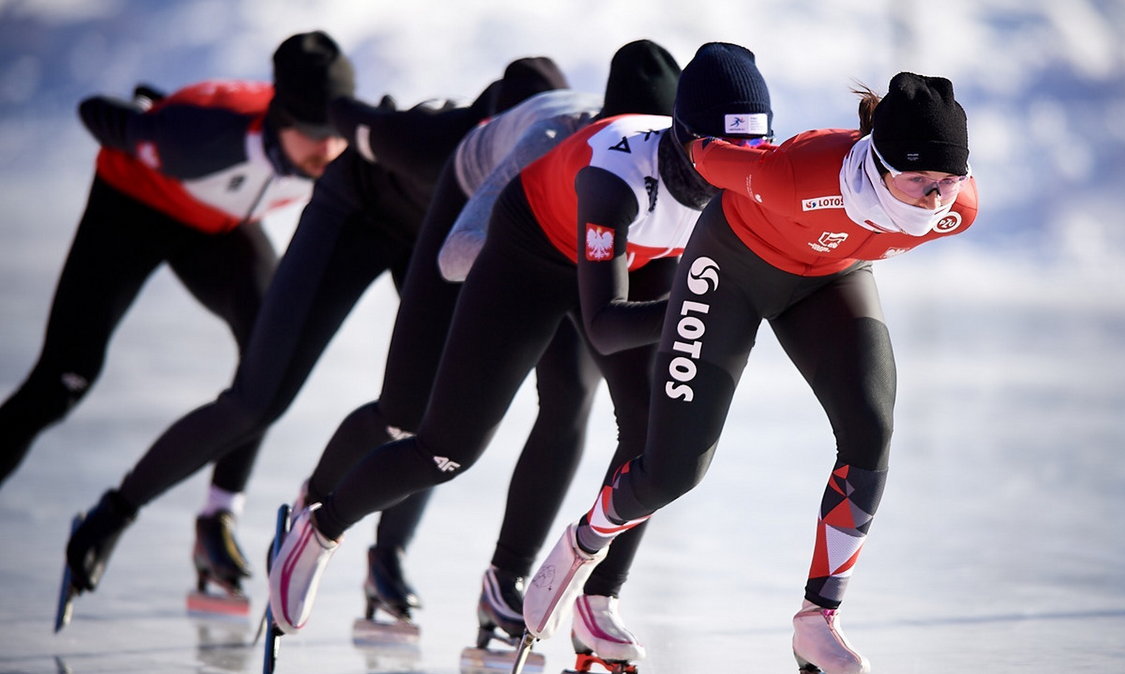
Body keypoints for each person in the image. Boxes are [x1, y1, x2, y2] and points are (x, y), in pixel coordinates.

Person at [267, 42, 773, 669]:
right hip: (526, 244)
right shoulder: (607, 171)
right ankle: (322, 527)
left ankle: (595, 599)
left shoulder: (750, 178)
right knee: (443, 446)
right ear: (680, 137)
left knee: (643, 435)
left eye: (753, 153)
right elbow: (606, 325)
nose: (737, 170)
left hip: (631, 257)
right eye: (720, 153)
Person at [57, 56, 569, 611]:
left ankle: (387, 557)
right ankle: (115, 511)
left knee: (429, 417)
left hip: (438, 242)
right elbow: (346, 114)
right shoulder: (435, 140)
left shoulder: (556, 169)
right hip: (355, 213)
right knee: (256, 401)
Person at [520, 72, 980, 674]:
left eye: (946, 182)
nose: (933, 199)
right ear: (876, 162)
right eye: (917, 180)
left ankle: (818, 620)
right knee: (674, 471)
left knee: (871, 427)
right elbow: (701, 153)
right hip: (730, 268)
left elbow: (932, 197)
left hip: (830, 276)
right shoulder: (793, 173)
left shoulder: (959, 210)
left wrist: (933, 191)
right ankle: (583, 543)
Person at [0, 29, 353, 592]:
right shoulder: (203, 135)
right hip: (132, 208)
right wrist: (148, 126)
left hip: (217, 230)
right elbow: (93, 110)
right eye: (313, 135)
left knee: (268, 352)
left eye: (334, 135)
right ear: (278, 119)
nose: (327, 151)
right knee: (64, 380)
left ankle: (217, 517)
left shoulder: (337, 152)